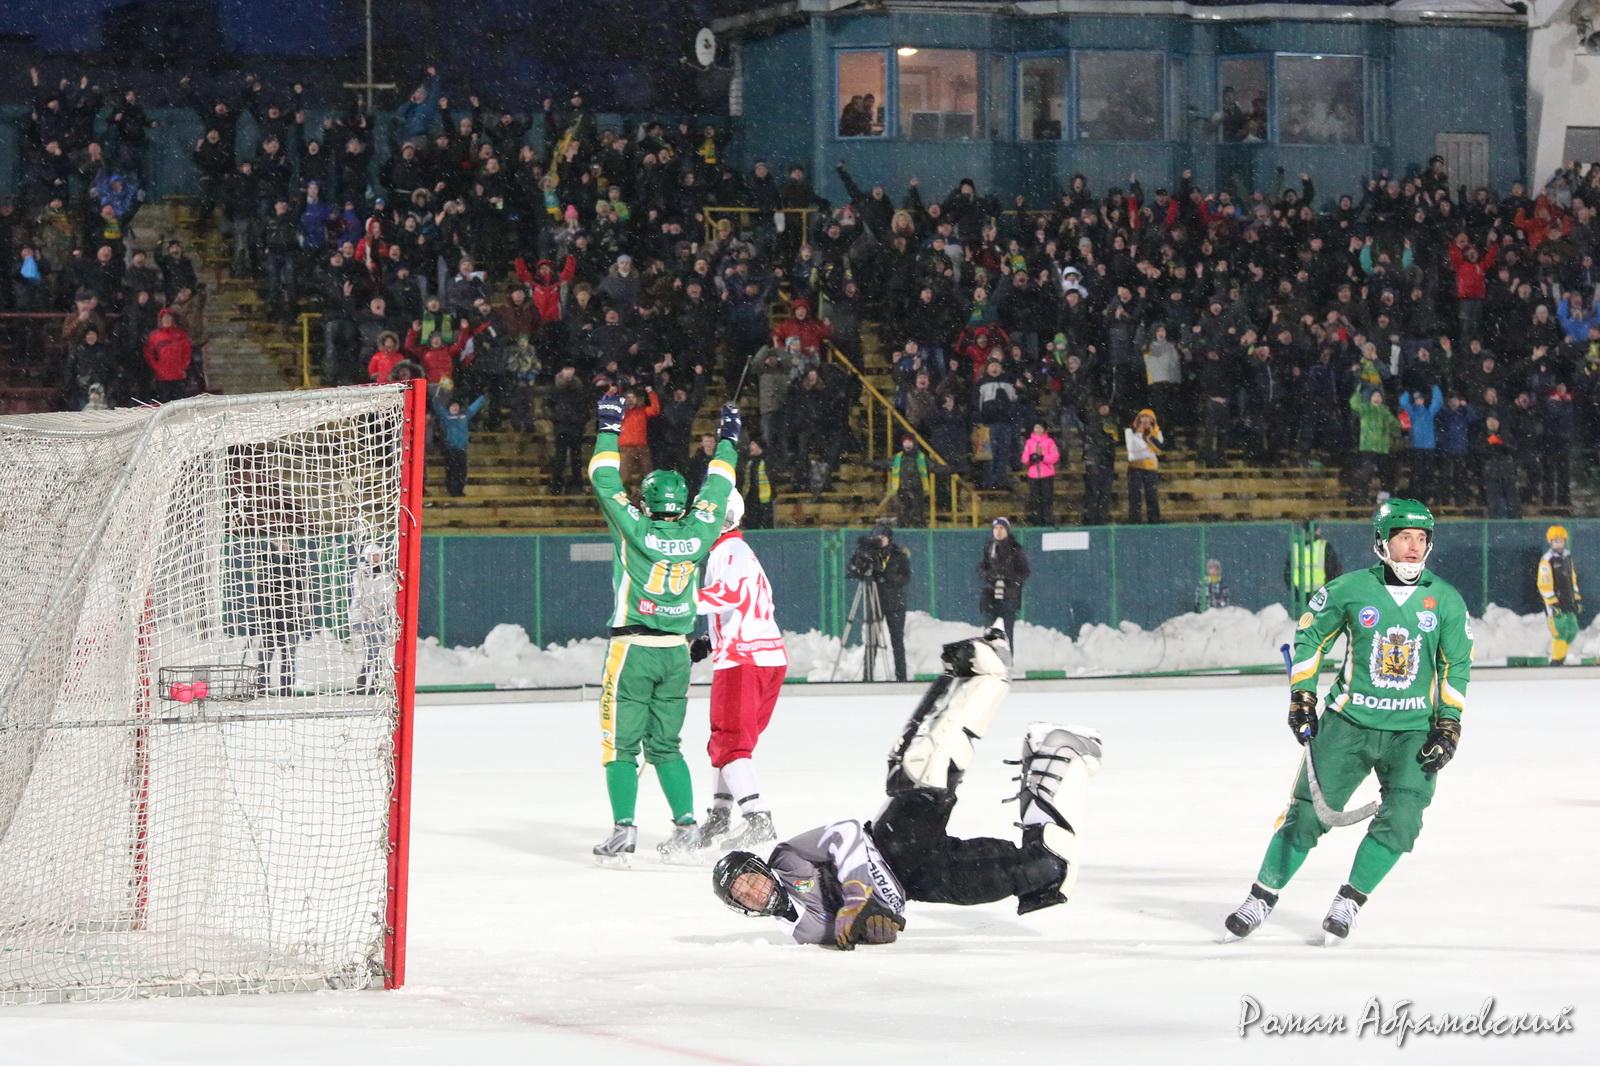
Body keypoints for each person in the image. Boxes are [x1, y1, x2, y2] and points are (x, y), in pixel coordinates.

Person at [711, 631, 1103, 947]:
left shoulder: (788, 857)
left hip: (890, 841)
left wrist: (856, 893)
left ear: (759, 866)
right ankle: (1060, 754)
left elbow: (845, 833)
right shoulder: (803, 932)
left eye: (748, 878)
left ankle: (983, 674)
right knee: (1043, 870)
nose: (752, 890)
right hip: (920, 881)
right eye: (742, 895)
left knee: (917, 767)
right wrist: (878, 925)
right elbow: (869, 925)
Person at [1224, 500, 1472, 944]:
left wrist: (1449, 723)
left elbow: (1456, 666)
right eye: (1404, 537)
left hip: (1413, 732)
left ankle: (1350, 900)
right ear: (1382, 541)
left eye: (1421, 538)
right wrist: (1302, 695)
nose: (1414, 547)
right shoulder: (1349, 589)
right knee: (1304, 816)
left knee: (1403, 820)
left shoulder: (1446, 599)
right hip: (1347, 724)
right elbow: (1311, 638)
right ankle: (1261, 896)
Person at [587, 394, 742, 867]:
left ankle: (624, 830)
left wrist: (609, 428)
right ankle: (686, 826)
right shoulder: (701, 530)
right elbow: (720, 484)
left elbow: (603, 477)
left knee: (620, 746)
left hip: (632, 650)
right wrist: (729, 438)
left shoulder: (633, 529)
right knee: (666, 746)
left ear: (646, 501)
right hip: (676, 652)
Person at [684, 490, 787, 856]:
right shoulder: (739, 551)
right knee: (731, 743)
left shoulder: (729, 550)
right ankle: (721, 813)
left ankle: (757, 818)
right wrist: (710, 640)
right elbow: (753, 603)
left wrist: (678, 601)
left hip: (743, 660)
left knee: (729, 742)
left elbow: (728, 595)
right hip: (763, 656)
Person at [347, 542, 396, 694]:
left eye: (377, 555)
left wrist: (389, 612)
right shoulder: (360, 573)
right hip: (362, 617)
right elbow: (362, 595)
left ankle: (370, 680)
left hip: (379, 618)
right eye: (373, 555)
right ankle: (366, 680)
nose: (375, 558)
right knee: (375, 647)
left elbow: (388, 596)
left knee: (377, 649)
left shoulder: (385, 576)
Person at [976, 517, 1028, 648]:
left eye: (1002, 528)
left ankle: (1006, 656)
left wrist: (1011, 581)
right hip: (991, 595)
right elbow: (981, 568)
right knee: (989, 630)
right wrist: (989, 576)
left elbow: (1024, 572)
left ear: (1007, 530)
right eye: (996, 528)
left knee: (1007, 631)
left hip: (1009, 596)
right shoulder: (989, 547)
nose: (998, 531)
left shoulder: (1016, 548)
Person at [1537, 525, 1582, 666]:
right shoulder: (1547, 560)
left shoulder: (1568, 557)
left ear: (1565, 542)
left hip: (1568, 600)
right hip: (1555, 603)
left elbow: (1573, 579)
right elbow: (1544, 583)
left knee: (1573, 630)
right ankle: (1556, 659)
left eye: (1561, 541)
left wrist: (1577, 598)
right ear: (1550, 542)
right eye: (1555, 541)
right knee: (1560, 630)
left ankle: (1561, 657)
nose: (1558, 544)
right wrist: (1552, 602)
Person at [431, 394, 488, 497]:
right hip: (451, 449)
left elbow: (474, 407)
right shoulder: (446, 416)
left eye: (456, 406)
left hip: (462, 448)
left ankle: (459, 489)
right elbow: (438, 408)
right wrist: (434, 400)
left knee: (462, 471)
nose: (455, 407)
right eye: (453, 406)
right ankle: (452, 489)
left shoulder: (464, 416)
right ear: (449, 407)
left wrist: (482, 398)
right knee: (452, 470)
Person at [1124, 408, 1163, 524]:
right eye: (1142, 417)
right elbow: (1133, 447)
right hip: (1135, 467)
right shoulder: (1130, 432)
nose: (1145, 420)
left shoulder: (1156, 432)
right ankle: (1134, 521)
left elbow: (1159, 448)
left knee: (1152, 496)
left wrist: (1148, 437)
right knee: (1135, 496)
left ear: (1152, 420)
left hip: (1151, 468)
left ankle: (1154, 520)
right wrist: (1139, 434)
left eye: (1147, 417)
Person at [1020, 423, 1059, 527]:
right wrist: (1030, 459)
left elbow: (1055, 456)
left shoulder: (1049, 442)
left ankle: (1047, 520)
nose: (1038, 430)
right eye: (1036, 427)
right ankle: (1037, 521)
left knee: (1047, 499)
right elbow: (1024, 457)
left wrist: (1043, 458)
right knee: (1035, 499)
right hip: (1033, 475)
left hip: (1047, 474)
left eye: (1040, 428)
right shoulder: (1029, 442)